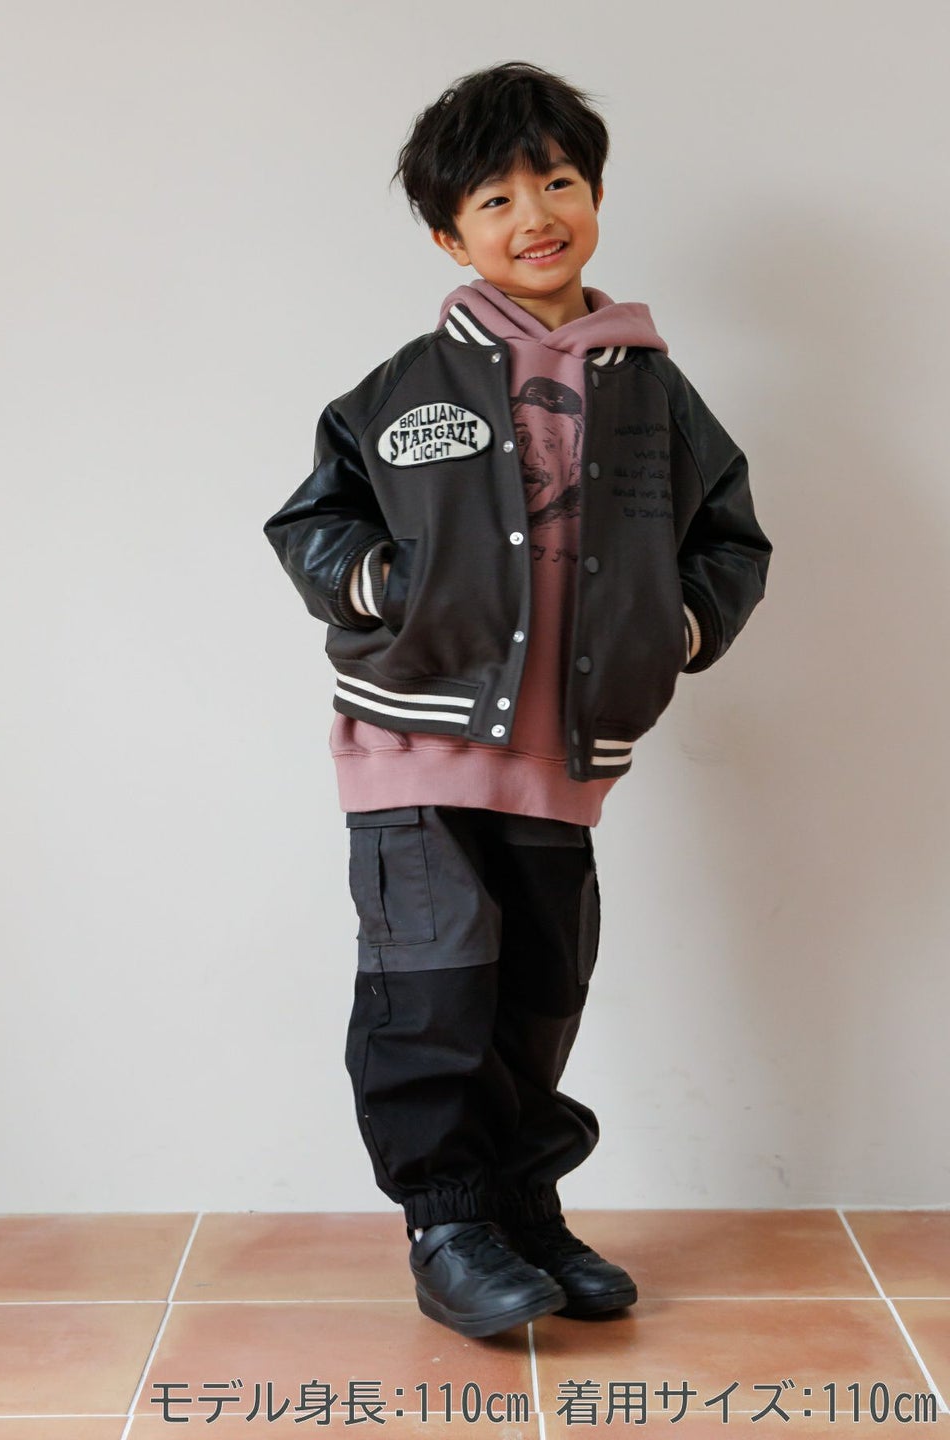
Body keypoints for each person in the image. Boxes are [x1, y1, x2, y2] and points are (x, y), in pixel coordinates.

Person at [262, 61, 771, 1339]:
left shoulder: (654, 391)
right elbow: (313, 522)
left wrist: (680, 625)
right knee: (434, 985)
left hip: (564, 751)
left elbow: (729, 536)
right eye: (495, 198)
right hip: (415, 739)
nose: (534, 214)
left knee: (539, 988)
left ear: (592, 195)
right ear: (452, 237)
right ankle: (446, 1222)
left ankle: (519, 1206)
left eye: (556, 181)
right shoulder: (404, 388)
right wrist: (381, 585)